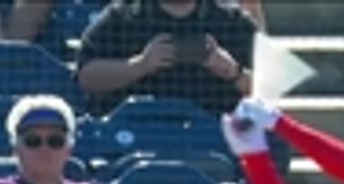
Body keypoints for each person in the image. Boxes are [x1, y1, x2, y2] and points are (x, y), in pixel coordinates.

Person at [76, 0, 257, 118]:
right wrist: (140, 65)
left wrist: (232, 71)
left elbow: (272, 93)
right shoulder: (123, 16)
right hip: (134, 134)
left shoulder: (231, 21)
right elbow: (86, 77)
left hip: (215, 136)